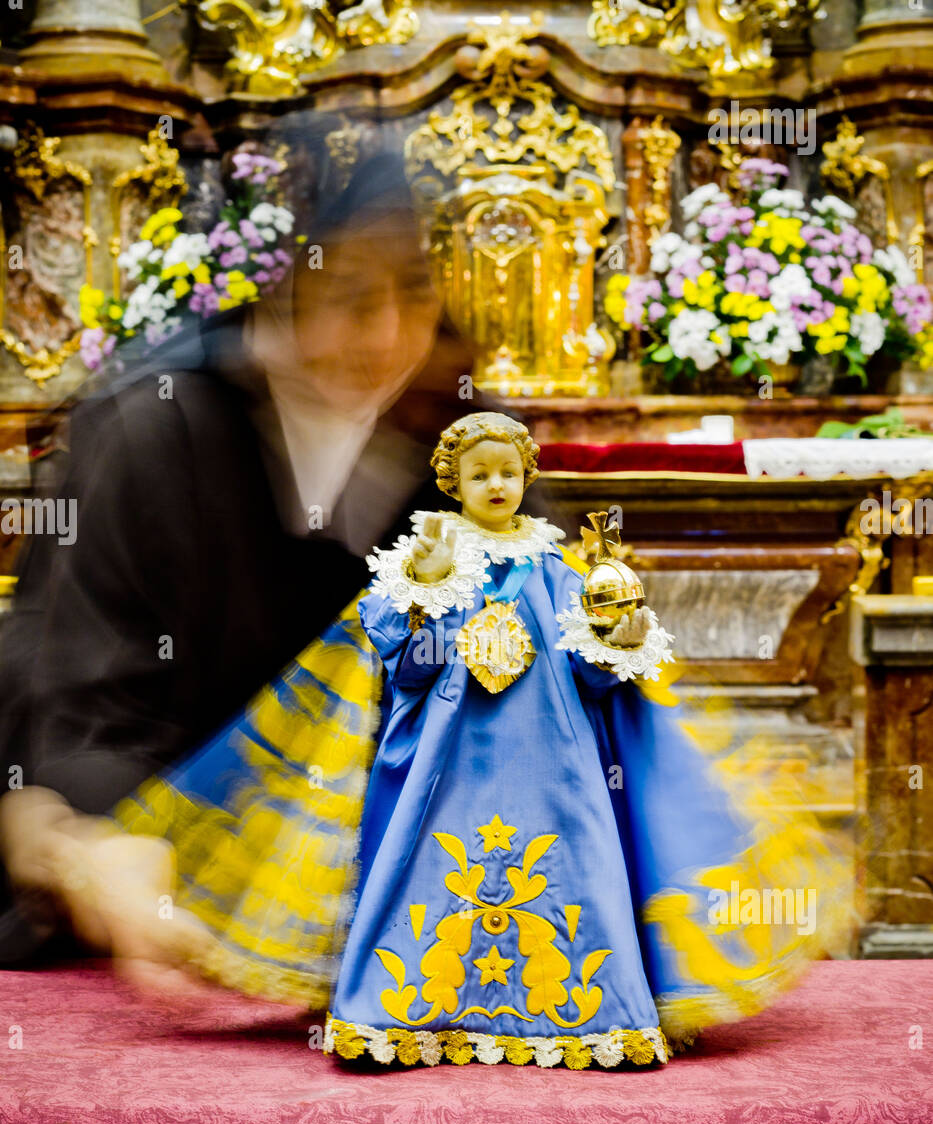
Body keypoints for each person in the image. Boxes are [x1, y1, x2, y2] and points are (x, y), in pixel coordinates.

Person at [108, 412, 850, 1064]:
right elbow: (400, 669)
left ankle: (587, 1008)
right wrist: (426, 602)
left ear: (525, 478)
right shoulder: (424, 562)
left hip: (555, 764)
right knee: (423, 861)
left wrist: (614, 633)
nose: (495, 486)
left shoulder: (560, 568)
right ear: (452, 483)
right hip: (444, 763)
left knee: (573, 858)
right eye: (478, 474)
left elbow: (595, 676)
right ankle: (408, 1004)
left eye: (507, 472)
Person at [0, 150, 476, 972]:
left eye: (416, 293)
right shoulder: (155, 432)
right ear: (279, 291)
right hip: (129, 851)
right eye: (352, 296)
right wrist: (114, 856)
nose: (391, 335)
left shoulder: (460, 438)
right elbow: (87, 707)